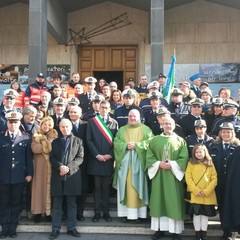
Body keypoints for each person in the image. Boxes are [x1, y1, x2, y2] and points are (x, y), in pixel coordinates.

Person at [146, 117, 189, 240]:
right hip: (158, 175)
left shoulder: (180, 141)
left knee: (173, 201)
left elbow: (184, 158)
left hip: (174, 177)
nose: (168, 126)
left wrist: (172, 165)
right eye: (165, 123)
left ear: (174, 125)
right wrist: (158, 164)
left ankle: (175, 231)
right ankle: (159, 230)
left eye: (170, 123)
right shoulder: (154, 140)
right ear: (162, 125)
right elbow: (149, 156)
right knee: (158, 201)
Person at [113, 109, 153, 222]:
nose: (132, 118)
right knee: (125, 188)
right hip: (124, 166)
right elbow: (116, 142)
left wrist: (137, 145)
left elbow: (151, 142)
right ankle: (125, 214)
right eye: (130, 116)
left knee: (138, 188)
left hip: (139, 164)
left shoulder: (146, 129)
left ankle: (139, 215)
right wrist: (125, 145)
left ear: (139, 117)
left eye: (134, 116)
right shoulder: (122, 130)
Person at [0, 111, 33, 238]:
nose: (13, 124)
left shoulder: (26, 137)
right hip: (3, 176)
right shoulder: (1, 137)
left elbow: (28, 158)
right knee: (3, 203)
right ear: (7, 123)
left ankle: (13, 228)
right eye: (10, 122)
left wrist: (29, 173)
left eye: (15, 122)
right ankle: (4, 228)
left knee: (16, 203)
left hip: (19, 176)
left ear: (19, 123)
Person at [49, 119, 84, 239]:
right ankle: (55, 229)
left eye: (67, 126)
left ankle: (72, 228)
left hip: (72, 176)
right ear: (59, 128)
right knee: (57, 204)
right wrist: (60, 166)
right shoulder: (55, 142)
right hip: (58, 175)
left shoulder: (78, 141)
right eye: (63, 127)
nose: (65, 129)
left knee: (72, 204)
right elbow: (52, 158)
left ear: (71, 127)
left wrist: (68, 168)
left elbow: (80, 158)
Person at [87, 100, 118, 222]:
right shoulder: (92, 122)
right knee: (97, 187)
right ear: (98, 108)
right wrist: (97, 155)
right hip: (96, 160)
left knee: (106, 187)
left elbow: (117, 141)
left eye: (106, 108)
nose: (104, 110)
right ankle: (97, 212)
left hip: (108, 160)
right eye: (102, 107)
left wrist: (110, 155)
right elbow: (89, 140)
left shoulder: (114, 123)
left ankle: (106, 212)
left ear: (110, 109)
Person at [209, 122, 240, 240]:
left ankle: (236, 228)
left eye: (228, 132)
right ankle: (225, 230)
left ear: (233, 133)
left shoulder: (237, 147)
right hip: (218, 183)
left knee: (235, 206)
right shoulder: (213, 146)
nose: (226, 134)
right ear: (220, 133)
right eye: (224, 132)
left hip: (233, 184)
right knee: (222, 207)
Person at [185, 144, 217, 240]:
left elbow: (214, 178)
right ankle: (198, 234)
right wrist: (196, 190)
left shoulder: (210, 163)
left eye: (201, 152)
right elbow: (188, 177)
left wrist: (206, 191)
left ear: (205, 152)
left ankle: (204, 234)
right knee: (197, 214)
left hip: (207, 195)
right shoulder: (191, 163)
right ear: (194, 153)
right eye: (197, 152)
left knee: (204, 215)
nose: (199, 154)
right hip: (195, 194)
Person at [31, 116, 58, 223]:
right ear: (41, 125)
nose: (47, 126)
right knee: (38, 190)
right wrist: (47, 145)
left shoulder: (55, 137)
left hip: (51, 167)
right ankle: (37, 213)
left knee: (50, 191)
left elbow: (54, 150)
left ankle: (48, 213)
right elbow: (34, 149)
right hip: (39, 167)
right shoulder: (35, 136)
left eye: (49, 125)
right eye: (45, 124)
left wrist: (43, 145)